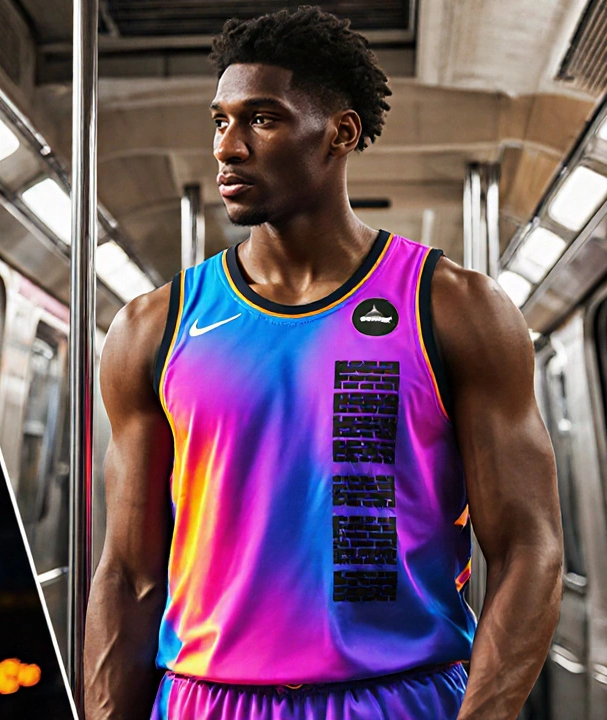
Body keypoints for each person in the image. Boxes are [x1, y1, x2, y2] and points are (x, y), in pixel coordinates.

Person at [84, 7, 562, 719]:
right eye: (220, 121)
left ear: (340, 132)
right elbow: (128, 575)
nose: (228, 148)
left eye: (263, 119)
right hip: (204, 700)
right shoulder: (154, 326)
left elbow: (529, 550)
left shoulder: (455, 310)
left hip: (398, 697)